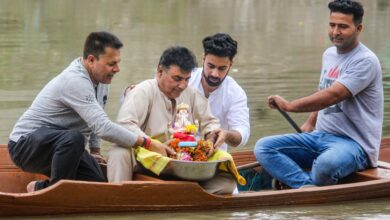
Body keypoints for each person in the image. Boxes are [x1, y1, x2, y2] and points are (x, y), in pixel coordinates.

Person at [8, 31, 173, 192]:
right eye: (111, 64)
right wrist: (148, 143)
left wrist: (95, 150)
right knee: (74, 137)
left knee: (96, 184)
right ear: (91, 60)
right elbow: (103, 127)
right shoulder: (75, 81)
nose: (117, 69)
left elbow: (96, 116)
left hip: (62, 145)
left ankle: (37, 188)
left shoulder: (102, 79)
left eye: (118, 62)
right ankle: (55, 191)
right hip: (25, 146)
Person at [254, 0, 383, 189]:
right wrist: (310, 122)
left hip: (355, 145)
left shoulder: (366, 61)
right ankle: (307, 188)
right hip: (320, 136)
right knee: (263, 147)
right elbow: (323, 90)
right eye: (332, 25)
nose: (335, 32)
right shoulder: (329, 54)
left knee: (326, 164)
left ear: (359, 28)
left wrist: (290, 106)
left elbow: (333, 95)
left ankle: (303, 187)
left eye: (343, 27)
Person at [107, 46, 237, 194]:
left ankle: (181, 198)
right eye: (177, 79)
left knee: (228, 181)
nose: (182, 85)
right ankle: (119, 198)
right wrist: (152, 145)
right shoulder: (143, 91)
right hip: (147, 161)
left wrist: (212, 136)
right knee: (119, 151)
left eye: (187, 79)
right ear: (160, 71)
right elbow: (124, 125)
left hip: (181, 164)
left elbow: (210, 123)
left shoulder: (191, 94)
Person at [189, 33, 250, 152]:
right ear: (203, 58)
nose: (215, 74)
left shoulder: (235, 93)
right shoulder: (185, 79)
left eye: (222, 68)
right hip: (176, 152)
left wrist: (226, 135)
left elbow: (242, 133)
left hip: (214, 157)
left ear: (230, 65)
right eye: (210, 66)